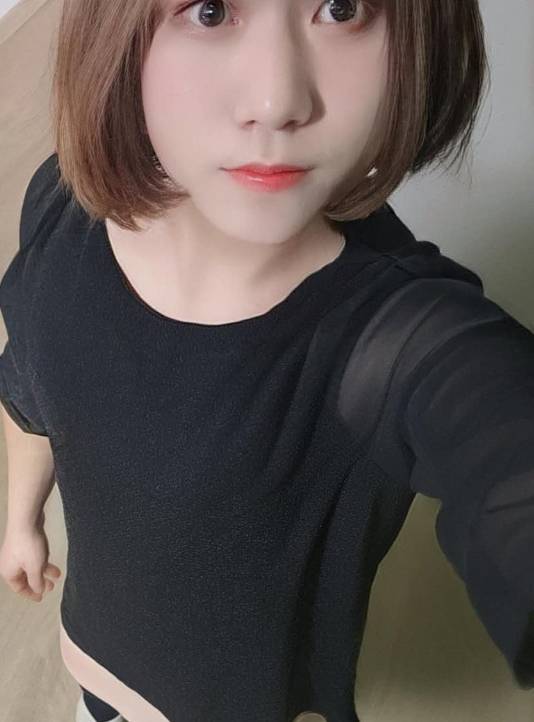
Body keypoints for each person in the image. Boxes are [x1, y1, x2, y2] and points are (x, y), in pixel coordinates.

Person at [0, 1, 533, 721]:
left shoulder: (391, 336)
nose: (278, 100)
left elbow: (494, 431)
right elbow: (28, 383)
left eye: (342, 7)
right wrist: (21, 518)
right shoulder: (62, 206)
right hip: (92, 671)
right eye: (211, 9)